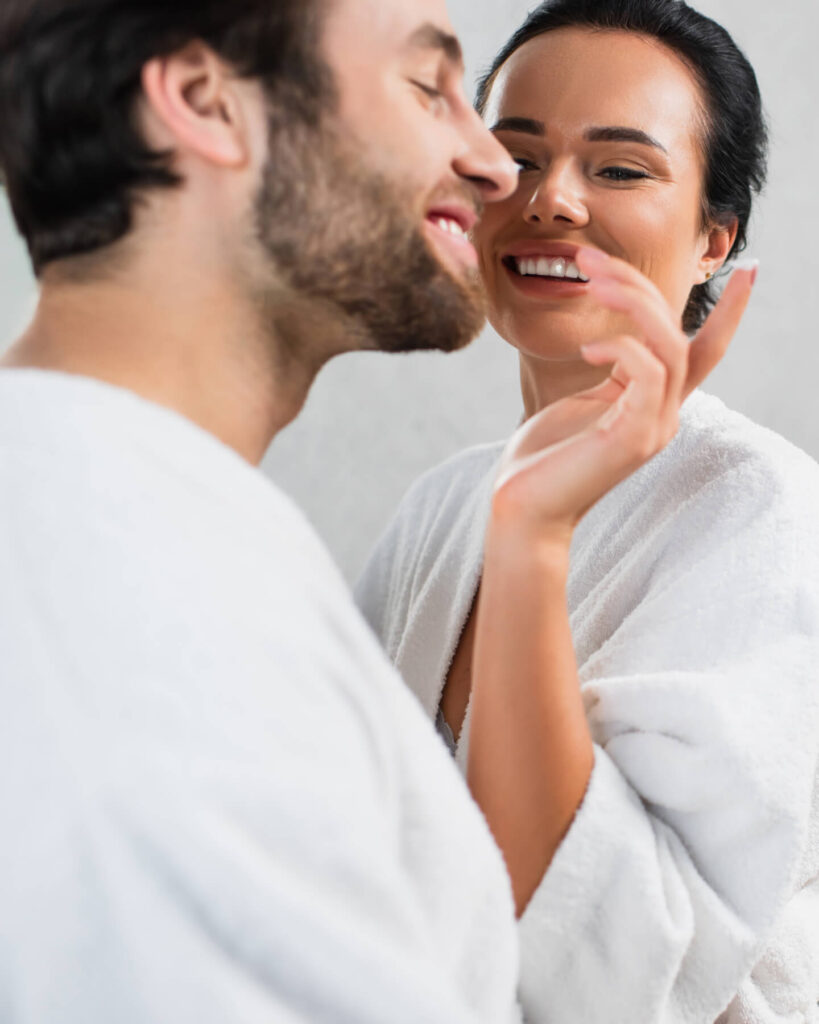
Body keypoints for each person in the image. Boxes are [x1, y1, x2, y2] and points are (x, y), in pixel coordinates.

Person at [356, 2, 819, 1023]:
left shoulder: (763, 512)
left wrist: (534, 535)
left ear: (713, 239)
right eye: (515, 157)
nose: (552, 199)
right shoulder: (439, 511)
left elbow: (616, 979)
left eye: (618, 169)